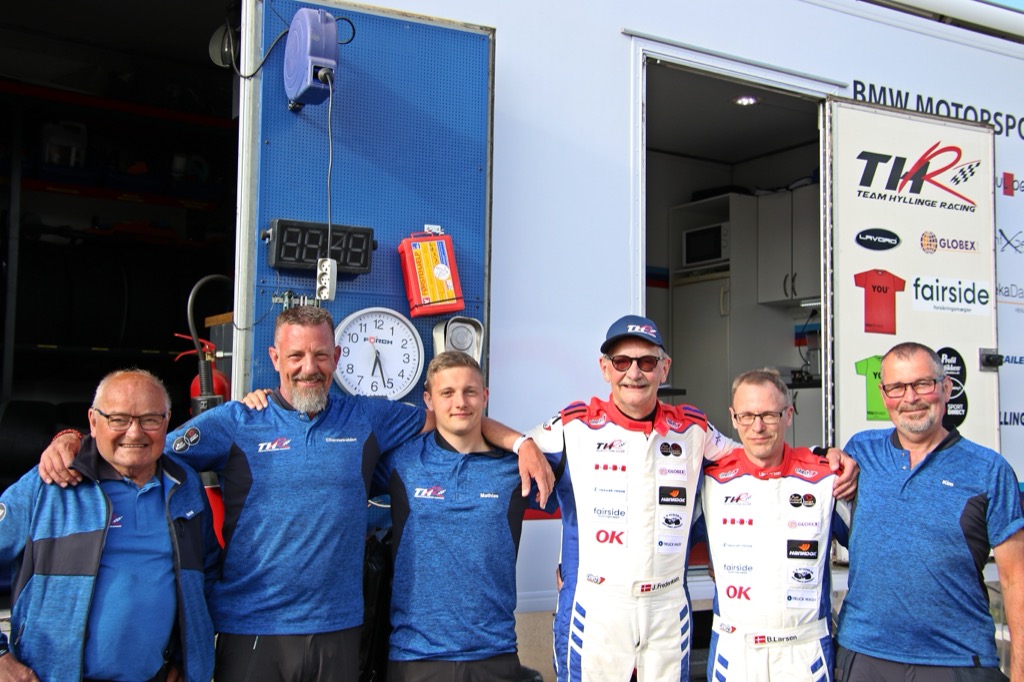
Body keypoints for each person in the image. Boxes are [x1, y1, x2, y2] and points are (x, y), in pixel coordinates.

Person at [38, 306, 555, 682]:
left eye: (320, 355)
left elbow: (453, 416)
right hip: (251, 630)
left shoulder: (368, 417)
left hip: (339, 630)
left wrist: (520, 441)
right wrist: (73, 441)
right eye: (297, 355)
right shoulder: (238, 420)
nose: (309, 366)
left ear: (337, 357)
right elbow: (142, 446)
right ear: (275, 358)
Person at [526, 314, 857, 682]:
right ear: (605, 368)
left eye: (646, 362)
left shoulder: (693, 429)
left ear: (664, 368)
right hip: (597, 606)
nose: (634, 372)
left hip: (667, 609)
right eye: (621, 362)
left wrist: (821, 455)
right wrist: (521, 443)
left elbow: (755, 452)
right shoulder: (573, 426)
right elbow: (506, 453)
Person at [0, 369, 218, 682]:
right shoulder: (48, 485)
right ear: (93, 421)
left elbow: (205, 579)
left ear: (167, 421)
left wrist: (186, 659)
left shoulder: (185, 488)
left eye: (150, 419)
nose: (135, 433)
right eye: (118, 419)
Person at [835, 341, 1024, 682]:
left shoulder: (988, 470)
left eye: (923, 384)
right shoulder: (861, 451)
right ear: (883, 394)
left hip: (958, 660)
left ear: (946, 387)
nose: (910, 398)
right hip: (865, 656)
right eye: (897, 387)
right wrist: (825, 453)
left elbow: (1016, 580)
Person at [373, 350, 558, 682]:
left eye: (470, 392)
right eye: (447, 393)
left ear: (485, 396)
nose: (460, 402)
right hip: (415, 658)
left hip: (495, 655)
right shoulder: (401, 463)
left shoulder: (517, 469)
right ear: (428, 400)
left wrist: (523, 444)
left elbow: (583, 498)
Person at [696, 368, 850, 682]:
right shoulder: (710, 481)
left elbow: (874, 550)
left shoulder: (826, 478)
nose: (758, 427)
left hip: (804, 652)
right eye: (747, 416)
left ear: (788, 415)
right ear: (733, 417)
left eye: (769, 415)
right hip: (735, 651)